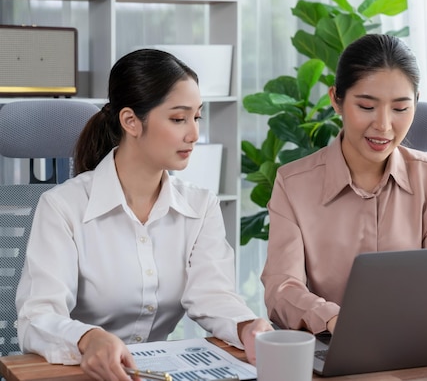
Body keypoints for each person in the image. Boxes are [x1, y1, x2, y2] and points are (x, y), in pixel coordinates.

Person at [16, 49, 272, 380]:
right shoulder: (63, 207)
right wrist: (87, 338)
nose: (193, 134)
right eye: (179, 119)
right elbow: (37, 316)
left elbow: (212, 294)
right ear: (131, 121)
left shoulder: (200, 205)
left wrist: (246, 326)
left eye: (197, 117)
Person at [261, 34, 427, 335]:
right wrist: (332, 319)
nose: (383, 125)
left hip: (417, 343)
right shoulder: (294, 184)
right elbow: (281, 288)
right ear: (336, 100)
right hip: (332, 344)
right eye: (367, 106)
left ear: (416, 105)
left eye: (400, 108)